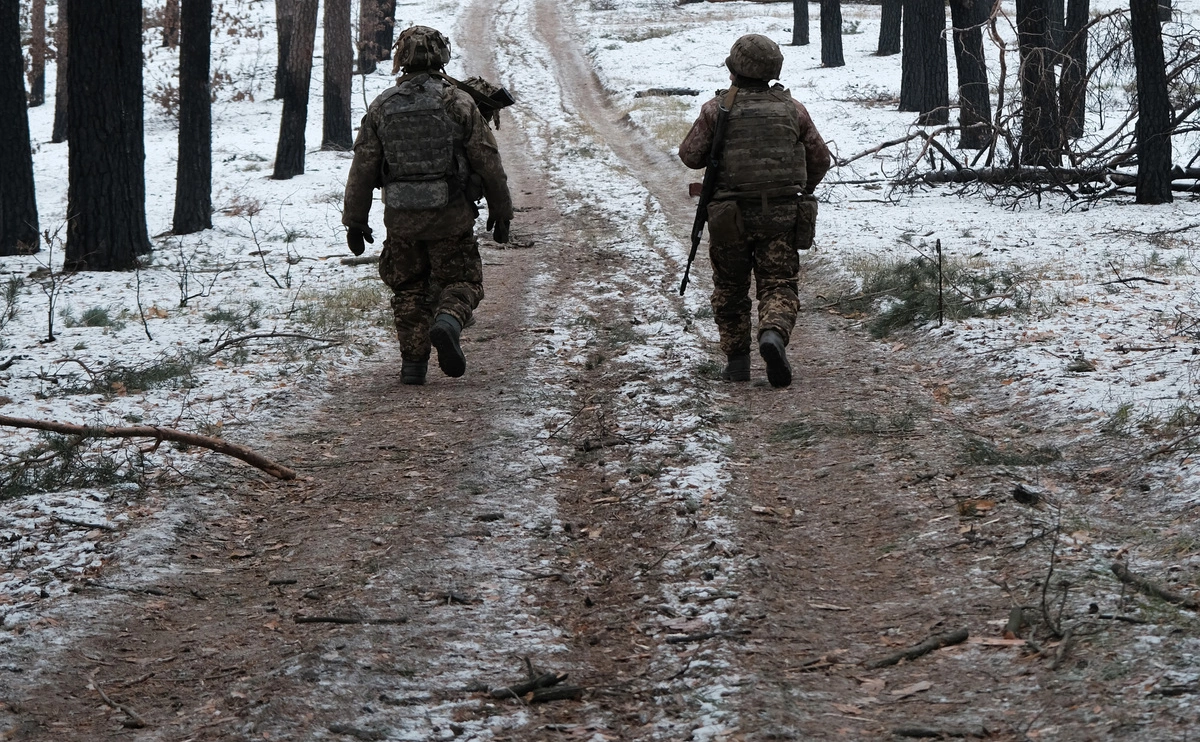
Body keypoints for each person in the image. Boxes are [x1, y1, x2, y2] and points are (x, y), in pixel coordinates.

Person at [343, 26, 513, 385]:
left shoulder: (383, 105)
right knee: (462, 280)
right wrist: (501, 210)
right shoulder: (459, 102)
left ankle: (413, 365)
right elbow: (487, 160)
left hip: (401, 219)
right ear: (441, 56)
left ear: (400, 58)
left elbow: (363, 165)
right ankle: (448, 320)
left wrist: (355, 219)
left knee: (409, 288)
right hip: (450, 216)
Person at [678, 34, 831, 389]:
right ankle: (773, 333)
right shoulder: (793, 109)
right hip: (781, 216)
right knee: (778, 283)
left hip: (729, 217)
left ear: (735, 70)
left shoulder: (717, 110)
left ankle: (737, 363)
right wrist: (802, 189)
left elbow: (689, 156)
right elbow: (820, 159)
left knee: (730, 287)